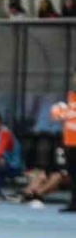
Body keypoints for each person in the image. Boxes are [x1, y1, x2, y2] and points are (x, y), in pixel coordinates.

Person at [49, 74, 76, 212]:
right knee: (72, 174)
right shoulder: (70, 96)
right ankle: (73, 203)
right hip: (70, 142)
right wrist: (58, 113)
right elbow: (60, 113)